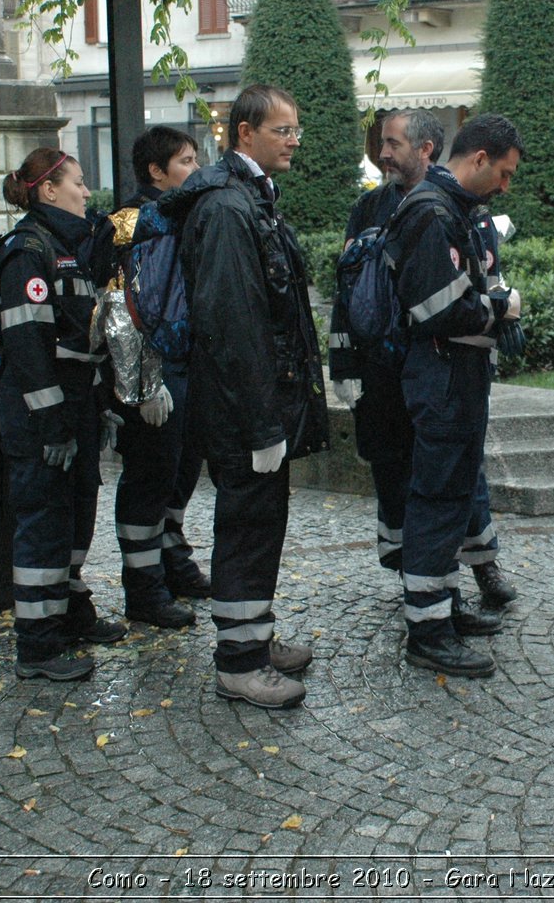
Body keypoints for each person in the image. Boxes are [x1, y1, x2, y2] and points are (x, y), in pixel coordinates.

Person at [160, 85, 329, 710]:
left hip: (253, 407)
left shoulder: (247, 198)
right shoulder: (230, 208)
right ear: (244, 134)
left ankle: (252, 638)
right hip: (243, 413)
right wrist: (261, 424)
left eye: (295, 131)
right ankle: (238, 662)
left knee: (260, 525)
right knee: (247, 528)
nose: (293, 141)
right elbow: (234, 324)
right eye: (282, 130)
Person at [328, 110, 517, 627]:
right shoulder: (394, 208)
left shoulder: (460, 209)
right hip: (407, 371)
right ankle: (429, 607)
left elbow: (481, 281)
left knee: (453, 486)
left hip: (437, 369)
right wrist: (343, 361)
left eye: (392, 144)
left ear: (427, 148)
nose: (383, 154)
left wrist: (491, 325)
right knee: (420, 484)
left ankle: (457, 586)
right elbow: (358, 291)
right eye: (383, 144)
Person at [387, 114, 525, 677]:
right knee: (438, 500)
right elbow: (437, 309)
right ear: (478, 159)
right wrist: (501, 307)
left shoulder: (451, 210)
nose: (505, 186)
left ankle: (442, 610)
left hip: (456, 376)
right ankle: (428, 632)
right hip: (442, 376)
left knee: (452, 497)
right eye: (504, 173)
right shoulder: (431, 213)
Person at [0, 148, 123, 681]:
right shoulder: (27, 251)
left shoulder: (70, 246)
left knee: (74, 520)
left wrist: (100, 405)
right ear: (49, 189)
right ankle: (38, 646)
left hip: (75, 408)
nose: (86, 191)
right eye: (78, 181)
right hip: (40, 416)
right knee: (43, 526)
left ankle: (68, 615)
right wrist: (52, 424)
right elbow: (27, 347)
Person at [101, 126, 212, 632]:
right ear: (156, 171)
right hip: (151, 378)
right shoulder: (132, 223)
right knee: (149, 479)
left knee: (180, 473)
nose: (195, 168)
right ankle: (143, 590)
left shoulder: (177, 214)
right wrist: (143, 385)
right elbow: (123, 310)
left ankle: (173, 563)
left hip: (186, 369)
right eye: (186, 161)